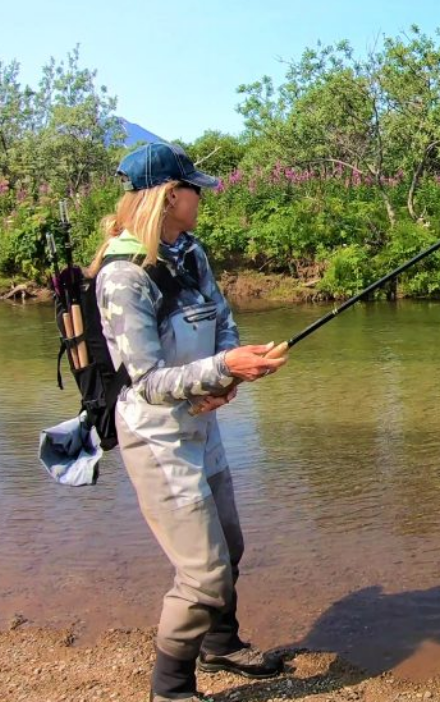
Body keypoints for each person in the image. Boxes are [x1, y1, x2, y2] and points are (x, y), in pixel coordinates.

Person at [87, 142, 288, 702]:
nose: (201, 196)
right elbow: (146, 380)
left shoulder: (190, 250)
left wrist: (227, 377)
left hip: (202, 422)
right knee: (203, 574)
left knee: (230, 543)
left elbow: (222, 317)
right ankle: (170, 689)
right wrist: (224, 367)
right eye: (193, 188)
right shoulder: (122, 278)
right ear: (171, 196)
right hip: (157, 439)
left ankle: (220, 643)